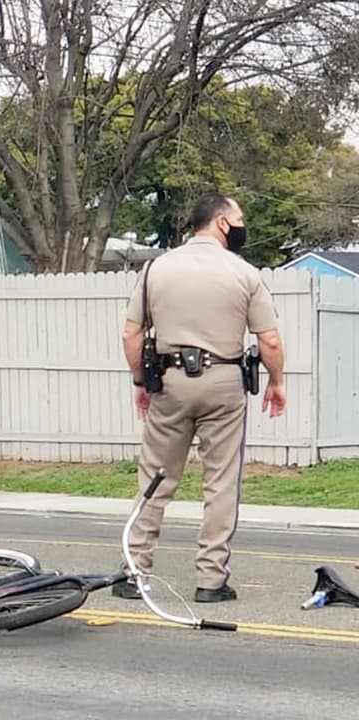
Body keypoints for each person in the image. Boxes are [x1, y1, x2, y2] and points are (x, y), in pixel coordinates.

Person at [117, 192, 287, 603]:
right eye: (239, 217)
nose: (243, 224)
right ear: (223, 223)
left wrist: (141, 382)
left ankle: (133, 571)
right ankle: (210, 580)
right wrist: (277, 381)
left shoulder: (156, 268)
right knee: (221, 483)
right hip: (224, 380)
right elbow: (269, 338)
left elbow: (131, 334)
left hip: (170, 381)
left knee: (155, 478)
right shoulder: (243, 273)